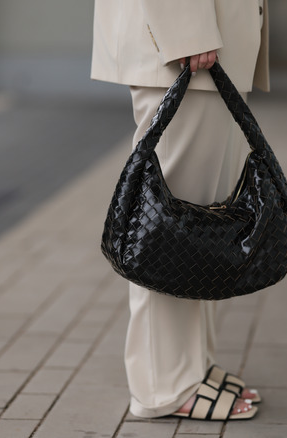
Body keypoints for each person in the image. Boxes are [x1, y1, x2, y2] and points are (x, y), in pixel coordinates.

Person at [91, 0, 270, 421]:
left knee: (201, 228)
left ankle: (194, 367)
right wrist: (189, 28)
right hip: (185, 42)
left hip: (208, 42)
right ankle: (164, 386)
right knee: (164, 233)